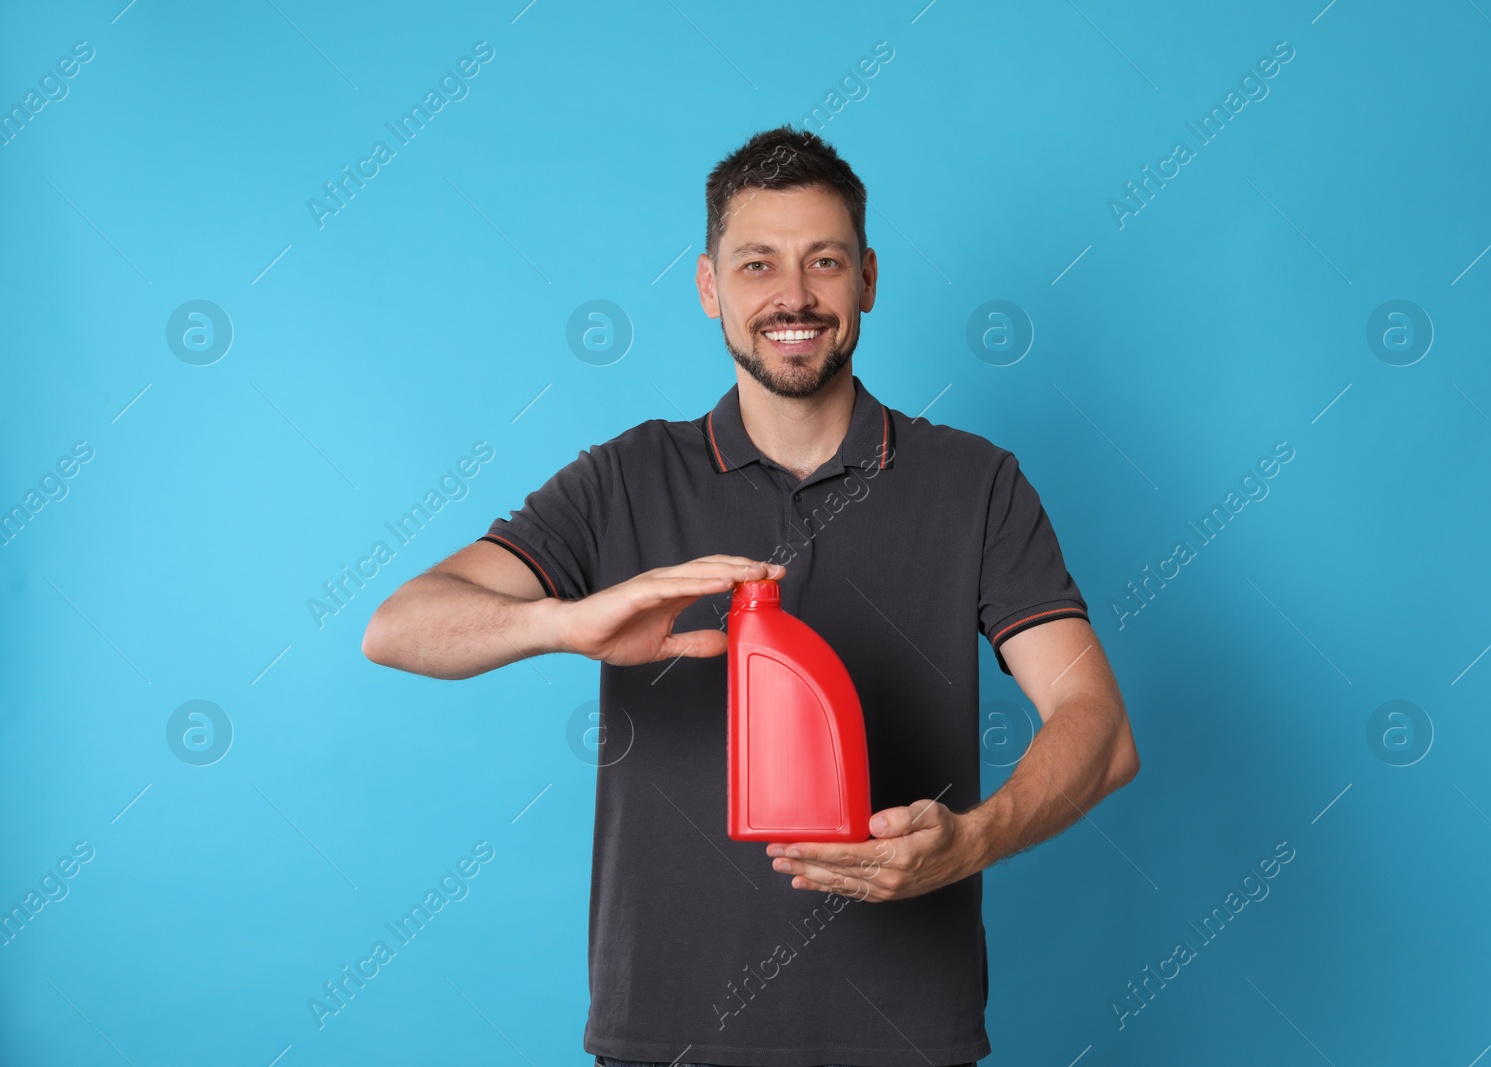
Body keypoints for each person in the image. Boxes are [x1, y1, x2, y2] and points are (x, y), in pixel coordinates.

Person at [363, 124, 1139, 1067]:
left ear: (868, 281)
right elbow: (399, 628)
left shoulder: (975, 483)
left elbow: (1098, 725)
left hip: (906, 1041)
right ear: (708, 288)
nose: (794, 296)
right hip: (666, 1041)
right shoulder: (625, 477)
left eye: (825, 261)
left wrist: (969, 842)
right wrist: (565, 622)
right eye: (758, 263)